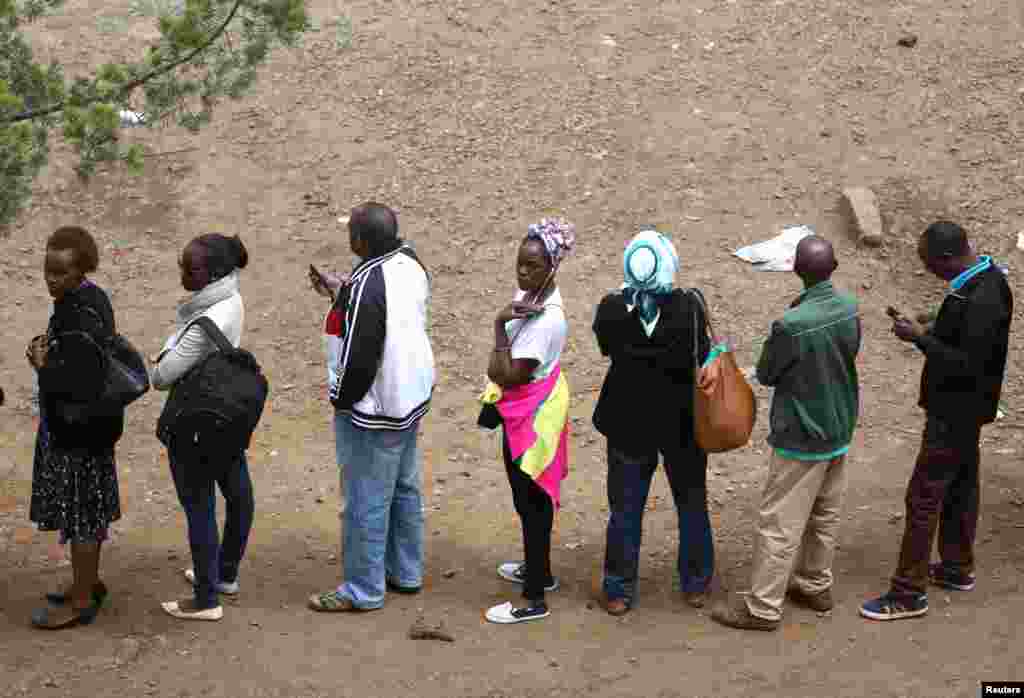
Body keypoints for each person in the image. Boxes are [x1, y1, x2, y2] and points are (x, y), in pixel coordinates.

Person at [861, 221, 1012, 621]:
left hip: (954, 412)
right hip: (968, 411)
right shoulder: (983, 279)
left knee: (923, 497)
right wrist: (932, 320)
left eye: (929, 264)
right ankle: (956, 567)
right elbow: (963, 327)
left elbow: (966, 364)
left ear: (947, 258)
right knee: (961, 488)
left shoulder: (983, 298)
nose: (928, 270)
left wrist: (919, 338)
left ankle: (908, 593)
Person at [711, 235, 860, 631]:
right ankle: (814, 584)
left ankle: (762, 606)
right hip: (839, 428)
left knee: (779, 523)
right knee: (824, 514)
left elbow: (769, 371)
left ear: (796, 269)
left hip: (801, 435)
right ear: (835, 266)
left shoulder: (791, 324)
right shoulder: (849, 307)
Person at [308, 202, 434, 613]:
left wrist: (340, 398)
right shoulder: (411, 262)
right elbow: (388, 313)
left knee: (366, 499)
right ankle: (406, 571)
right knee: (404, 488)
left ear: (360, 241)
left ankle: (363, 589)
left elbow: (360, 360)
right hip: (411, 398)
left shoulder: (366, 285)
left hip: (375, 410)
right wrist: (342, 293)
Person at [591, 229, 713, 616]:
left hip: (627, 423)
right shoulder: (690, 307)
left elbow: (605, 347)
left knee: (625, 509)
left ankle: (618, 590)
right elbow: (704, 353)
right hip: (681, 424)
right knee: (691, 503)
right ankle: (696, 584)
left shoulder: (610, 308)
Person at [153, 234, 254, 621]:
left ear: (212, 272)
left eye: (189, 268)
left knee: (199, 507)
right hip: (226, 415)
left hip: (194, 422)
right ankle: (225, 573)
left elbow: (161, 376)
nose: (182, 273)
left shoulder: (201, 321)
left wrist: (169, 344)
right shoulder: (233, 298)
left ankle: (206, 599)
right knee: (238, 492)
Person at [28, 226, 123, 629]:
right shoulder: (89, 299)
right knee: (88, 514)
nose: (52, 279)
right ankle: (87, 582)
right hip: (93, 432)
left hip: (79, 435)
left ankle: (82, 599)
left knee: (82, 517)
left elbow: (79, 383)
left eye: (61, 272)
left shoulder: (76, 313)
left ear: (81, 269)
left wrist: (43, 366)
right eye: (48, 270)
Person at [481, 218, 574, 624]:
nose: (522, 272)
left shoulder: (546, 319)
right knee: (529, 500)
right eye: (520, 263)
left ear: (552, 266)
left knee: (531, 502)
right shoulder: (531, 295)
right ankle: (541, 572)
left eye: (532, 266)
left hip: (530, 419)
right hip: (526, 411)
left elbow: (507, 373)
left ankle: (533, 599)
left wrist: (499, 325)